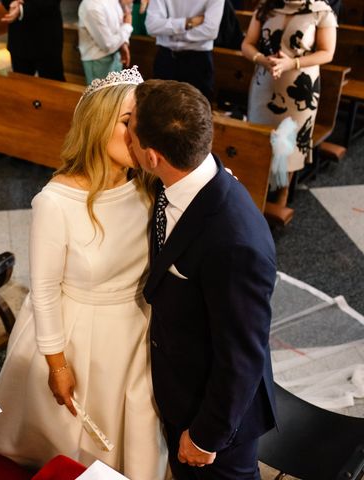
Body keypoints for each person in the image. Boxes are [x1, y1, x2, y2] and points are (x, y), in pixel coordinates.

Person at [0, 67, 168, 480]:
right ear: (97, 124)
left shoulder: (147, 184)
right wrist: (59, 366)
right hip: (81, 333)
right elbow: (44, 291)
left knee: (139, 425)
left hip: (138, 329)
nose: (140, 134)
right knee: (73, 442)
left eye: (143, 121)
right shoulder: (55, 202)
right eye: (127, 122)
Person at [127, 79, 277, 479]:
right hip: (182, 386)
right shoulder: (182, 179)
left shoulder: (234, 242)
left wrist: (206, 436)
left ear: (154, 157)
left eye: (130, 128)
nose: (126, 135)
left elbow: (243, 355)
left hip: (216, 420)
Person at [241, 0, 336, 211]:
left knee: (288, 141)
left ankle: (280, 196)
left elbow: (327, 52)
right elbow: (247, 43)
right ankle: (256, 193)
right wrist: (263, 60)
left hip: (299, 89)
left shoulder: (321, 11)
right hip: (264, 83)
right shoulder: (266, 6)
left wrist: (292, 63)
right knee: (260, 138)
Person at [145, 0, 225, 101]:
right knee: (160, 108)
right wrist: (186, 23)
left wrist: (171, 34)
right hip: (166, 56)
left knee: (198, 111)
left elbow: (210, 31)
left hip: (198, 60)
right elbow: (151, 26)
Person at [0, 0, 65, 81]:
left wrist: (22, 9)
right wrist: (12, 2)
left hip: (46, 37)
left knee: (53, 87)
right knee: (21, 86)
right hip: (19, 38)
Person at [78, 0, 133, 84]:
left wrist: (123, 44)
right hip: (98, 60)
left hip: (116, 55)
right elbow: (107, 45)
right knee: (99, 96)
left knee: (116, 95)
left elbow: (118, 25)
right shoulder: (92, 6)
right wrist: (127, 26)